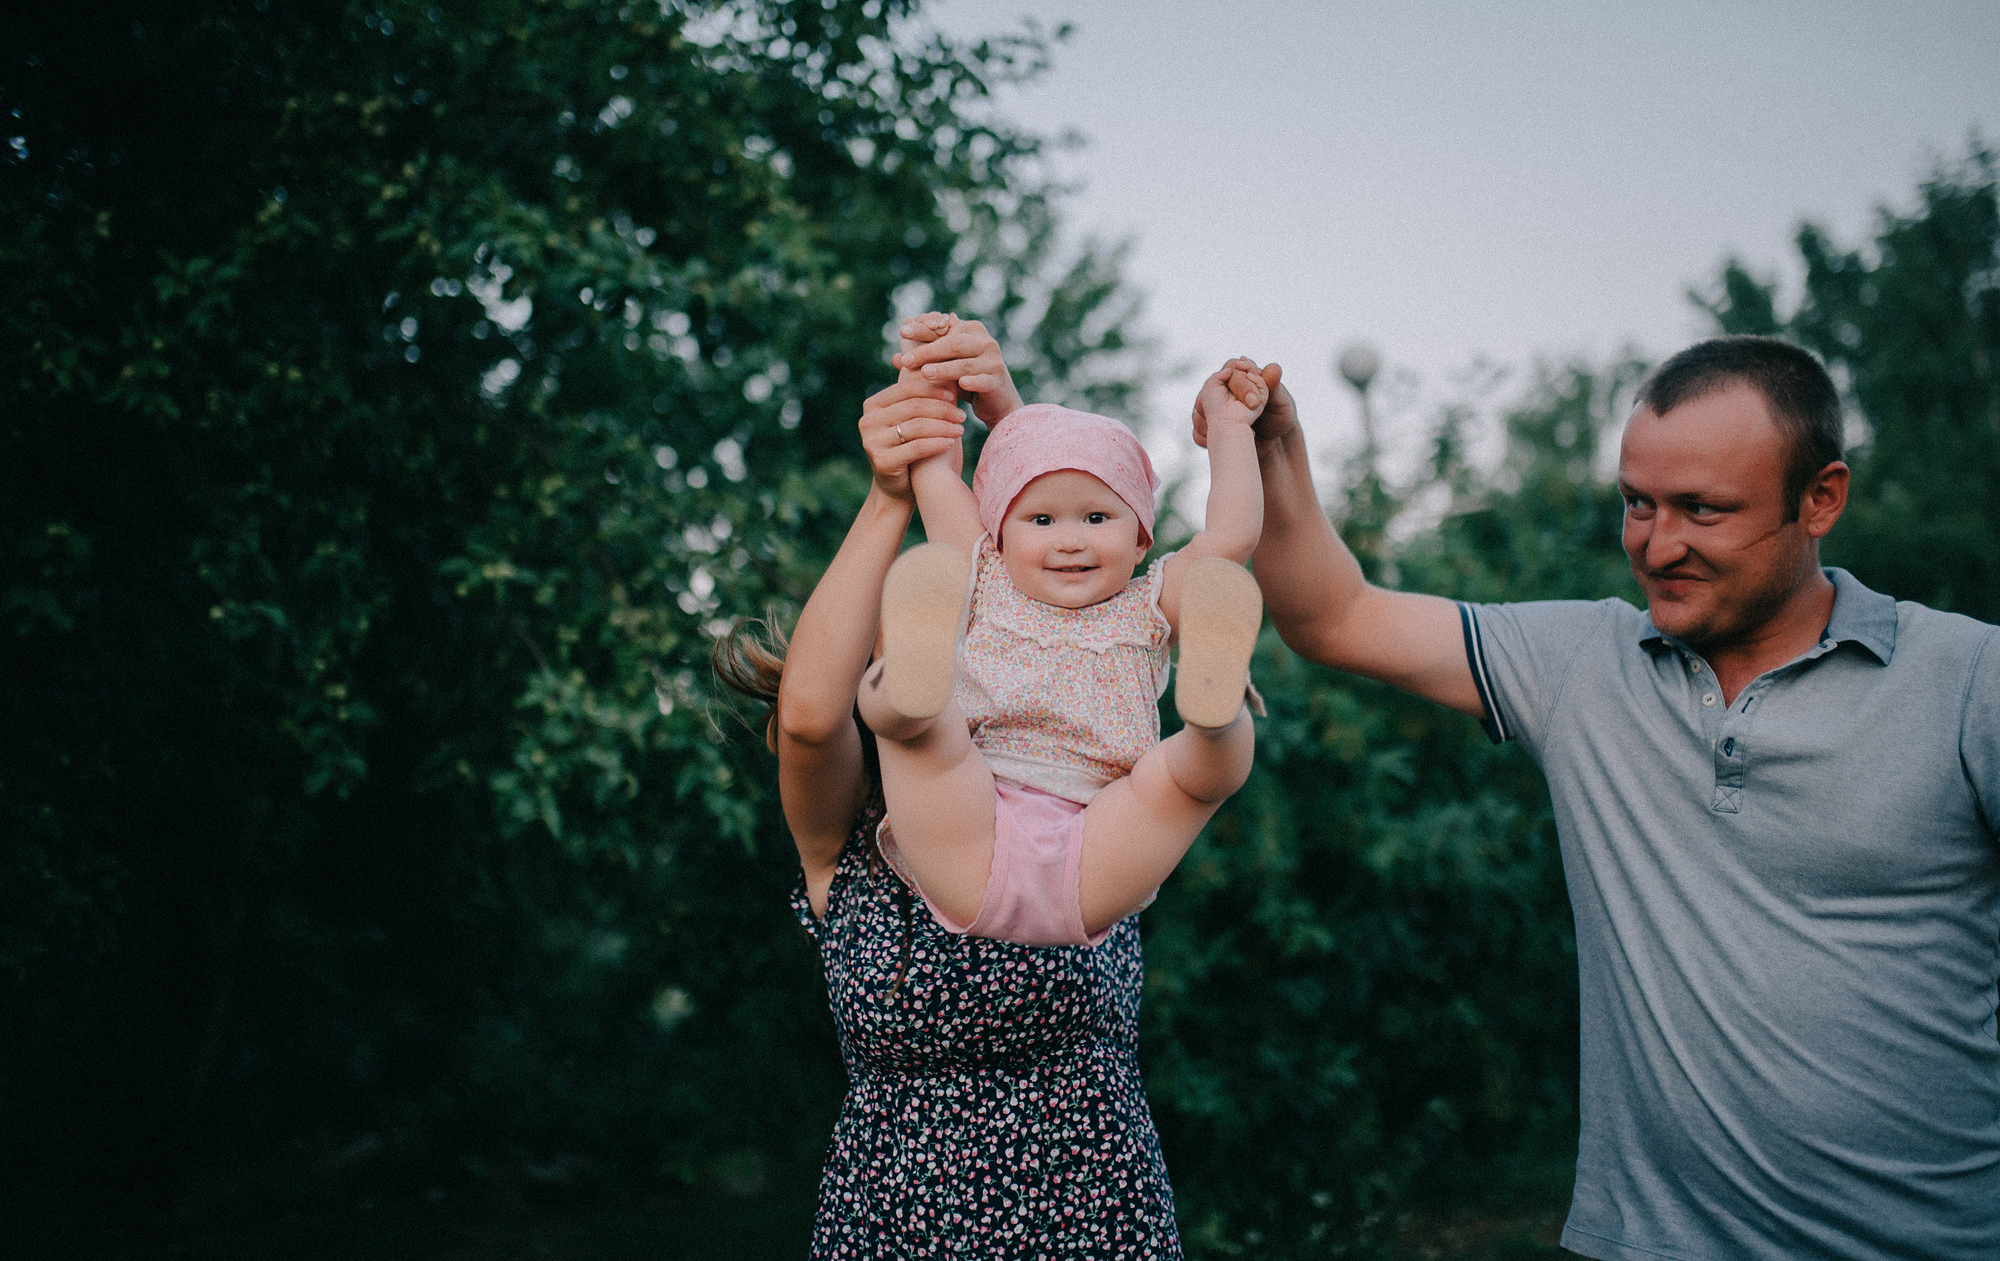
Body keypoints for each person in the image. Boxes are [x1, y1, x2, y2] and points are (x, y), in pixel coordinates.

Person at [1197, 336, 2000, 1260]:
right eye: (1637, 504)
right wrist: (1275, 456)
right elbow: (1335, 616)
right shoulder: (1583, 665)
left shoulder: (1965, 681)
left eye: (1703, 509)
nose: (1658, 546)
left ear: (1821, 498)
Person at [715, 315, 1182, 1257]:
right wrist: (893, 490)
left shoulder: (1077, 781)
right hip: (902, 1221)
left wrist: (1008, 425)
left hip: (1093, 1208)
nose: (950, 629)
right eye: (912, 632)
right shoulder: (843, 848)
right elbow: (809, 716)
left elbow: (1053, 586)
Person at [850, 312, 1268, 949]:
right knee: (925, 739)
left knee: (1189, 777)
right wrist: (929, 374)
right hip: (973, 815)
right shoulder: (984, 573)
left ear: (1138, 540)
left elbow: (1232, 536)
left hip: (1101, 837)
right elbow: (934, 468)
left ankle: (1216, 712)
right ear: (1001, 533)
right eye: (1040, 520)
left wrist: (1233, 428)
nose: (1070, 540)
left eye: (1097, 516)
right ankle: (909, 680)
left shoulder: (1147, 606)